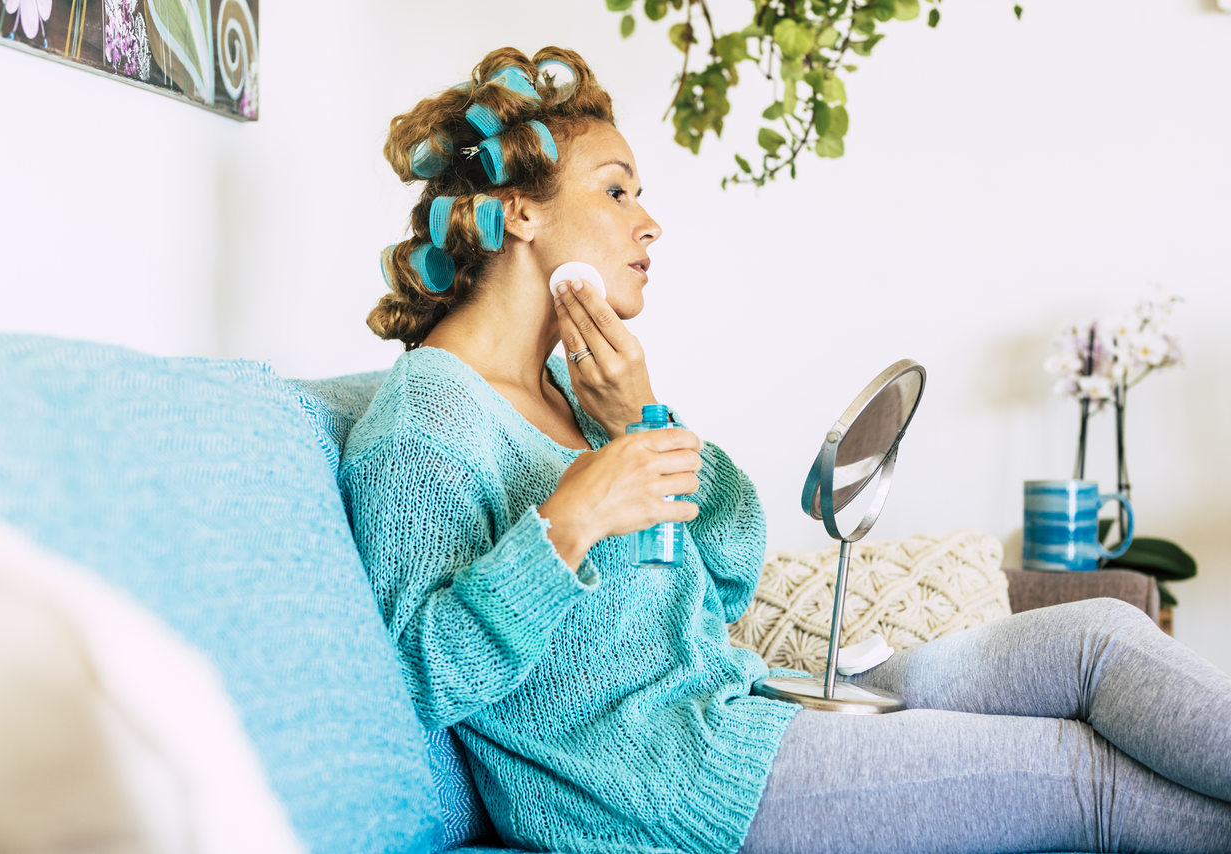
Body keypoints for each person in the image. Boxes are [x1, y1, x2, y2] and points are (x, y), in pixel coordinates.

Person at [340, 46, 1231, 854]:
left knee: (1101, 639)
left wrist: (645, 419)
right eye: (617, 192)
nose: (650, 224)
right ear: (518, 212)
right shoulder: (422, 426)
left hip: (748, 707)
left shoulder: (578, 390)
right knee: (1084, 775)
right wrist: (567, 523)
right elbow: (415, 678)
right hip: (669, 792)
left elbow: (728, 574)